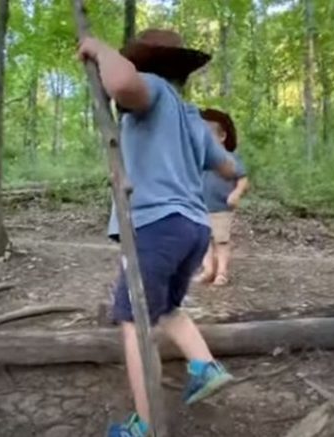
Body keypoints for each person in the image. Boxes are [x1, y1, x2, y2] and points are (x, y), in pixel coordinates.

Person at [77, 29, 242, 436]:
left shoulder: (150, 89)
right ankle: (205, 366)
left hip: (157, 225)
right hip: (193, 228)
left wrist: (99, 49)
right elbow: (229, 168)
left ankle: (145, 426)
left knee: (134, 321)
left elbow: (120, 84)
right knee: (165, 307)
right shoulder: (190, 116)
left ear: (143, 64)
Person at [193, 108, 249, 286]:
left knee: (221, 240)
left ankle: (222, 272)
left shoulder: (229, 158)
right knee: (204, 242)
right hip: (200, 208)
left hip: (221, 208)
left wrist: (236, 193)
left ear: (222, 136)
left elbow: (243, 179)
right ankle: (208, 270)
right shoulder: (199, 159)